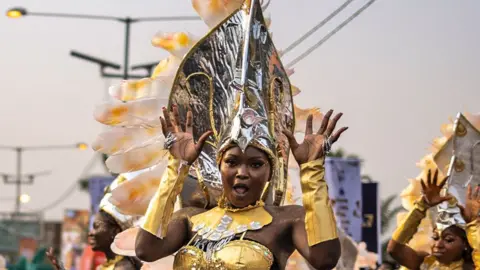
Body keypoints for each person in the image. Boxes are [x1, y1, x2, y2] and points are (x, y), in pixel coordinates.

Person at [93, 0, 349, 269]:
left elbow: (325, 259)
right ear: (218, 165)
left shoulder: (287, 220)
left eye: (256, 164)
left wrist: (311, 172)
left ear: (270, 172)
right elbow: (146, 249)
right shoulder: (188, 220)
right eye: (232, 161)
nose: (242, 172)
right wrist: (176, 167)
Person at [387, 114, 480, 270]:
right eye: (436, 238)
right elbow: (394, 249)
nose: (438, 245)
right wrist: (422, 206)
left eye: (449, 240)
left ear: (465, 244)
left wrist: (472, 225)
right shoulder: (423, 263)